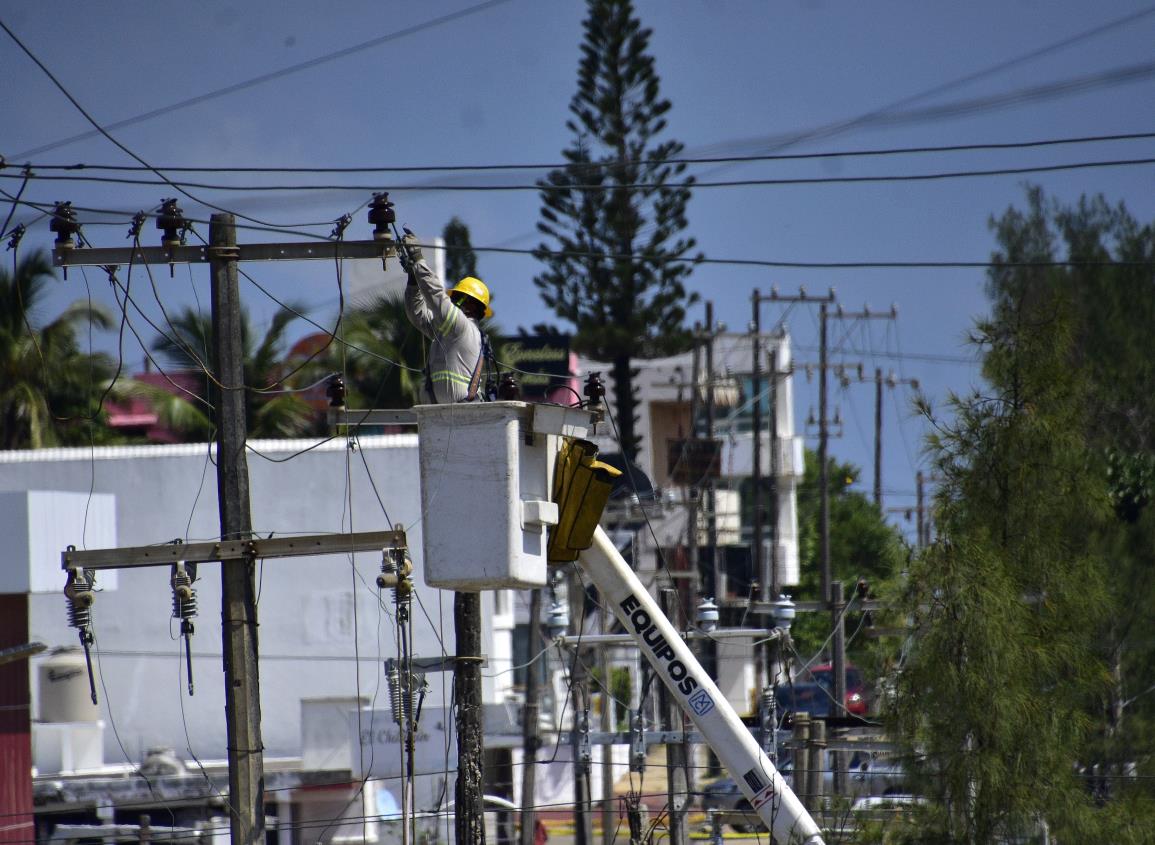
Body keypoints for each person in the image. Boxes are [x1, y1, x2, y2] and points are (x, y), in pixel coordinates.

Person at [400, 230, 495, 404]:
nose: (453, 300)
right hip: (439, 416)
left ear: (473, 305)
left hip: (459, 416)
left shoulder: (462, 327)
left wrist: (418, 259)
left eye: (458, 298)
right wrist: (413, 280)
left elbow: (436, 296)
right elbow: (417, 313)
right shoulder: (446, 331)